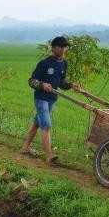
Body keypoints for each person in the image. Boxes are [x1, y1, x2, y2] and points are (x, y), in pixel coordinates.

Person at [22, 35, 81, 163]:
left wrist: (71, 85)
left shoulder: (64, 64)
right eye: (60, 46)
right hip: (41, 98)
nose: (63, 49)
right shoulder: (44, 63)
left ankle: (26, 147)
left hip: (52, 99)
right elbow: (31, 81)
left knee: (38, 122)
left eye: (65, 47)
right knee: (46, 125)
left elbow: (61, 82)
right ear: (53, 48)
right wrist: (42, 85)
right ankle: (49, 155)